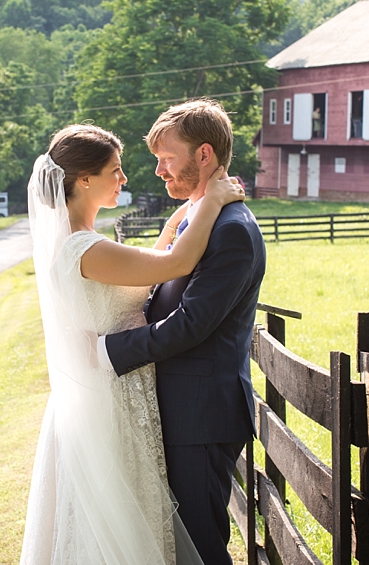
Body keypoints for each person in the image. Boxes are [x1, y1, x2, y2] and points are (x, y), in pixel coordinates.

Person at [21, 123, 245, 564]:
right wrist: (211, 201)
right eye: (115, 170)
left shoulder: (80, 243)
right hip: (110, 396)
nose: (124, 179)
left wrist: (175, 221)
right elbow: (177, 263)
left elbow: (139, 279)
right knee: (116, 520)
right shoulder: (84, 247)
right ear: (84, 180)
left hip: (111, 389)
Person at [99, 99, 267, 565]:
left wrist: (106, 352)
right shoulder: (200, 216)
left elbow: (191, 325)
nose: (158, 171)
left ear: (205, 155)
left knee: (200, 546)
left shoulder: (231, 230)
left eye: (167, 159)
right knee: (178, 545)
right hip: (181, 411)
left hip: (201, 417)